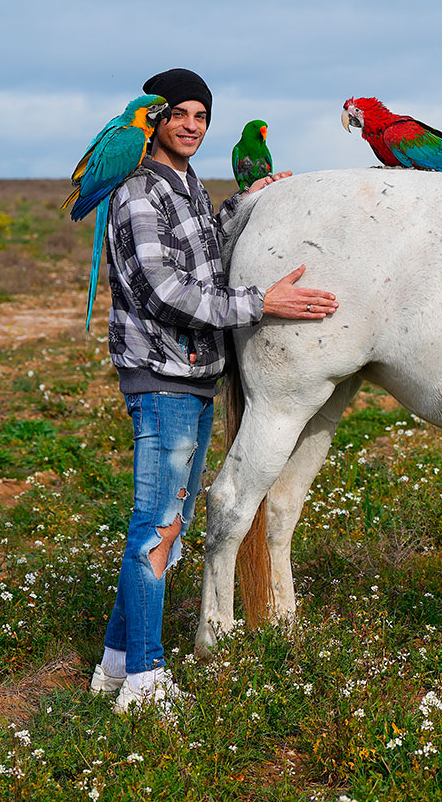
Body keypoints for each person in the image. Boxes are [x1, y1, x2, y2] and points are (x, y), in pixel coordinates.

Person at [87, 68, 339, 714]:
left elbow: (205, 245)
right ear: (156, 119)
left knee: (171, 521)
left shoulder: (189, 186)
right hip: (163, 376)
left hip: (196, 375)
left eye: (201, 114)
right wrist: (263, 302)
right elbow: (165, 289)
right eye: (180, 113)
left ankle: (115, 664)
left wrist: (251, 199)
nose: (192, 124)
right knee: (158, 525)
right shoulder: (140, 188)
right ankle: (145, 680)